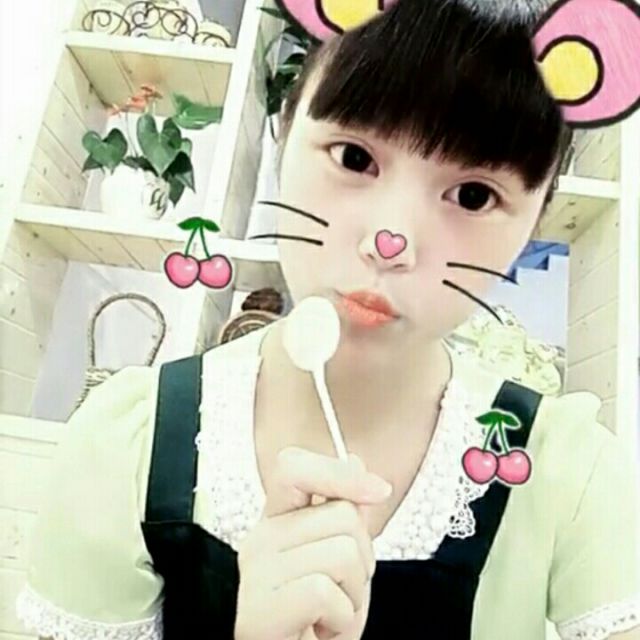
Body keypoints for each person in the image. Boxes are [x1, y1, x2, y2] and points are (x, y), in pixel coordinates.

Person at [15, 0, 640, 638]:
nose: (391, 241)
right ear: (284, 131)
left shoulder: (566, 470)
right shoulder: (127, 445)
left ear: (536, 221)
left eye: (474, 195)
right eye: (354, 158)